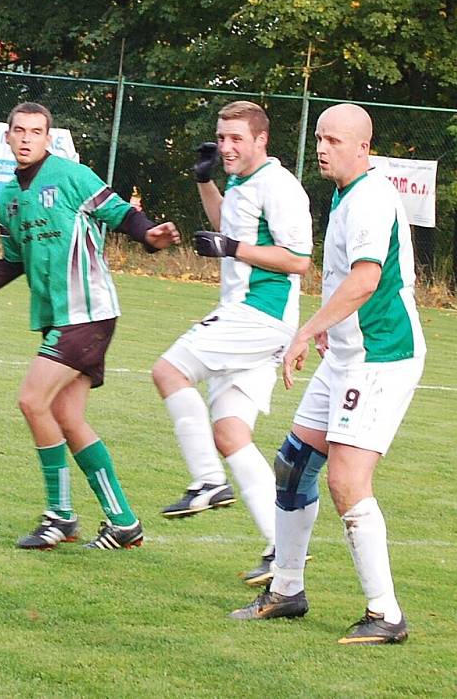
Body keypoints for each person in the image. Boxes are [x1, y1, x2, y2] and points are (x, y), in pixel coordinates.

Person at [230, 103, 426, 645]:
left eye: (335, 140)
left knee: (345, 480)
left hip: (381, 356)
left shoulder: (368, 199)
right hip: (346, 353)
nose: (322, 147)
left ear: (363, 146)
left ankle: (386, 615)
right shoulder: (345, 193)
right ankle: (287, 590)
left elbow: (365, 280)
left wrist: (305, 328)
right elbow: (347, 281)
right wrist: (327, 328)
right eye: (319, 137)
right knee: (294, 464)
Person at [0, 101, 180, 550]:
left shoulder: (72, 175)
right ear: (8, 137)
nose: (28, 138)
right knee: (66, 416)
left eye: (37, 131)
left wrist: (149, 235)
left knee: (32, 401)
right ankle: (124, 521)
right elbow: (11, 262)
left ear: (48, 138)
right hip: (59, 318)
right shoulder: (8, 198)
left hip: (87, 312)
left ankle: (61, 515)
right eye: (20, 131)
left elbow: (121, 214)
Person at [152, 100, 313, 584]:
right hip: (246, 316)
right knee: (231, 434)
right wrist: (205, 182)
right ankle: (281, 549)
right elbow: (229, 227)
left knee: (168, 371)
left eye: (236, 138)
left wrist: (234, 249)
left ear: (262, 139)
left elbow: (298, 259)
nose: (225, 146)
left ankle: (207, 481)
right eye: (221, 138)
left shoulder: (280, 186)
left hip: (259, 315)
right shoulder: (243, 181)